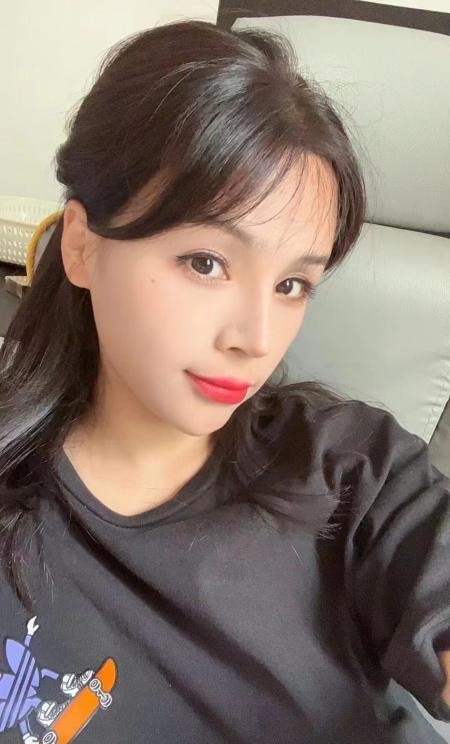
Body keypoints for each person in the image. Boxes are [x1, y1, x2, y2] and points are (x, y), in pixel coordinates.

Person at [0, 18, 448, 744]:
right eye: (206, 263)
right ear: (81, 247)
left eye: (293, 285)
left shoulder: (350, 469)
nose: (257, 339)